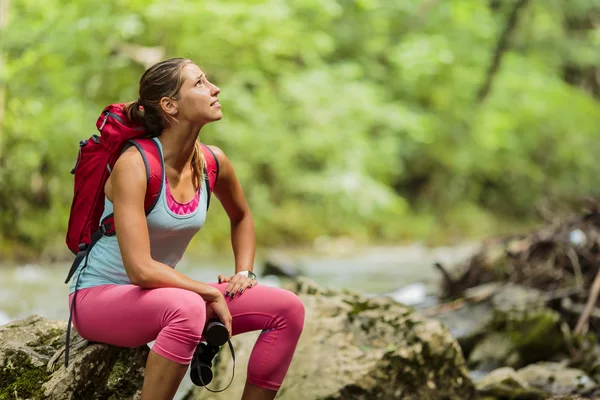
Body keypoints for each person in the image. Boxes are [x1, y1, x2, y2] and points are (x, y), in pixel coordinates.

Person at [67, 58, 305, 400]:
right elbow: (141, 270)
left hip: (165, 295)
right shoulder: (134, 166)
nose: (214, 88)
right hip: (98, 299)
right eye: (199, 83)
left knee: (288, 310)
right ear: (169, 105)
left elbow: (242, 217)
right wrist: (206, 293)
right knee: (187, 309)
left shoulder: (212, 162)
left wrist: (245, 272)